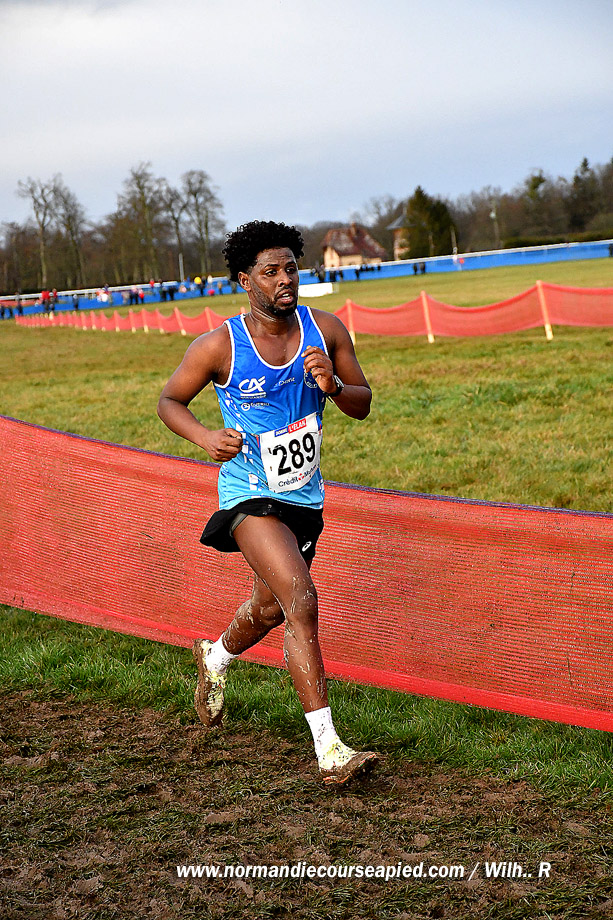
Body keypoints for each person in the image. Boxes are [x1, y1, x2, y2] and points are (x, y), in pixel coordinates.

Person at [157, 220, 379, 786]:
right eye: (270, 272)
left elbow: (363, 403)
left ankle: (215, 657)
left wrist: (334, 386)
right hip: (248, 492)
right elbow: (170, 400)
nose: (285, 280)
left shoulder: (326, 330)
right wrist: (205, 437)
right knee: (301, 600)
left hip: (303, 495)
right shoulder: (219, 346)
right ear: (245, 280)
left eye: (291, 269)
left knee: (270, 607)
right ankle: (330, 751)